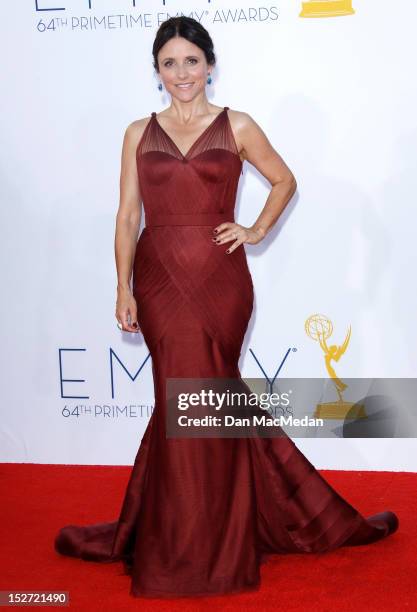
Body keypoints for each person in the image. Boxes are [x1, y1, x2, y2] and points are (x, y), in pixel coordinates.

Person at [54, 16, 399, 599]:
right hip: (159, 276)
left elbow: (285, 180)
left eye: (192, 61)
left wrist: (256, 229)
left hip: (220, 281)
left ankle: (210, 537)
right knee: (183, 399)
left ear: (210, 65)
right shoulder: (138, 132)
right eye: (170, 63)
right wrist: (122, 287)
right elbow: (126, 216)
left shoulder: (236, 123)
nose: (182, 73)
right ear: (156, 72)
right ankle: (187, 534)